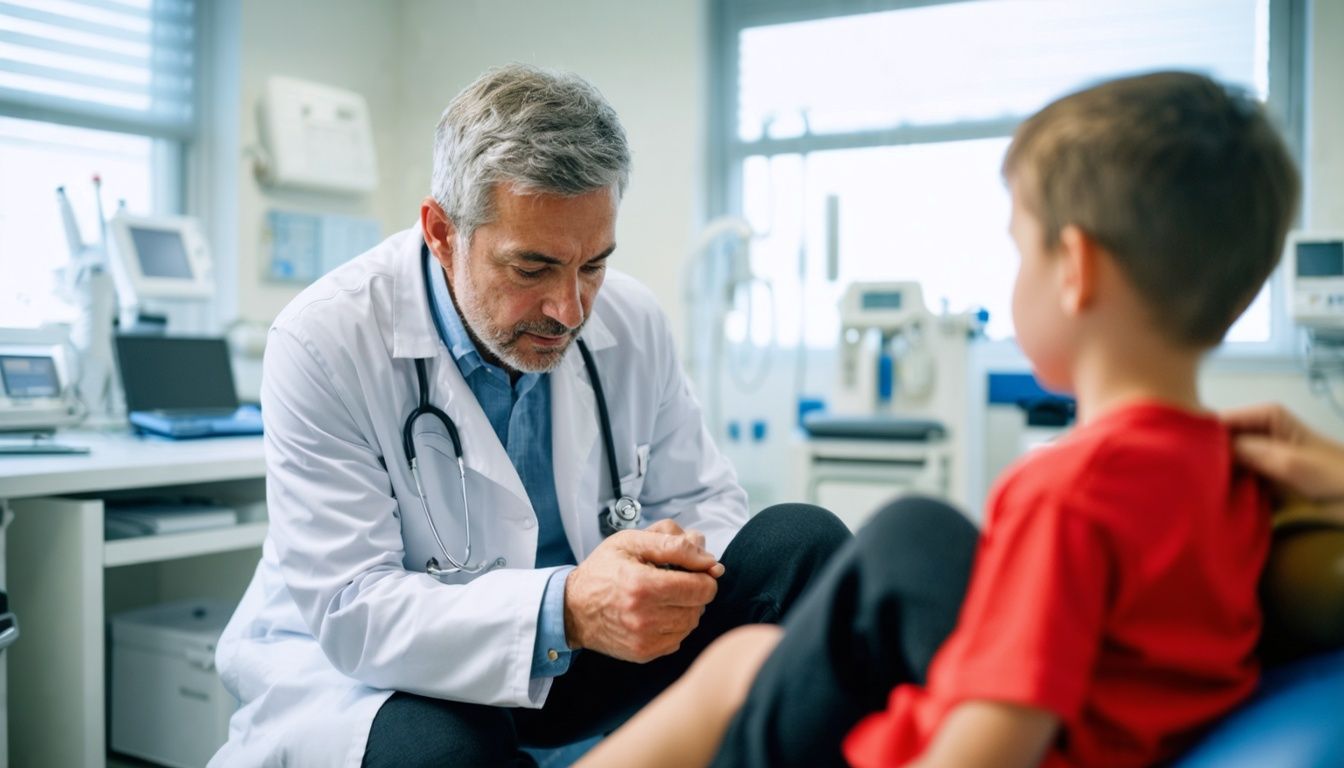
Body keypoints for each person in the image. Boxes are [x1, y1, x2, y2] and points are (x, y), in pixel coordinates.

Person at [574, 70, 1302, 768]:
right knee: (767, 642)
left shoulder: (1065, 496)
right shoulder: (1240, 470)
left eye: (1021, 249)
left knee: (728, 679)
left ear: (1075, 269)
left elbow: (992, 745)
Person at [209, 64, 849, 767]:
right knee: (449, 751)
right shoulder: (325, 340)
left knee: (802, 544)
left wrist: (673, 562)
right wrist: (566, 606)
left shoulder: (631, 320)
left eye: (594, 265)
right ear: (442, 232)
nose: (570, 310)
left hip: (593, 652)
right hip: (394, 675)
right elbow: (356, 610)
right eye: (532, 268)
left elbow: (705, 501)